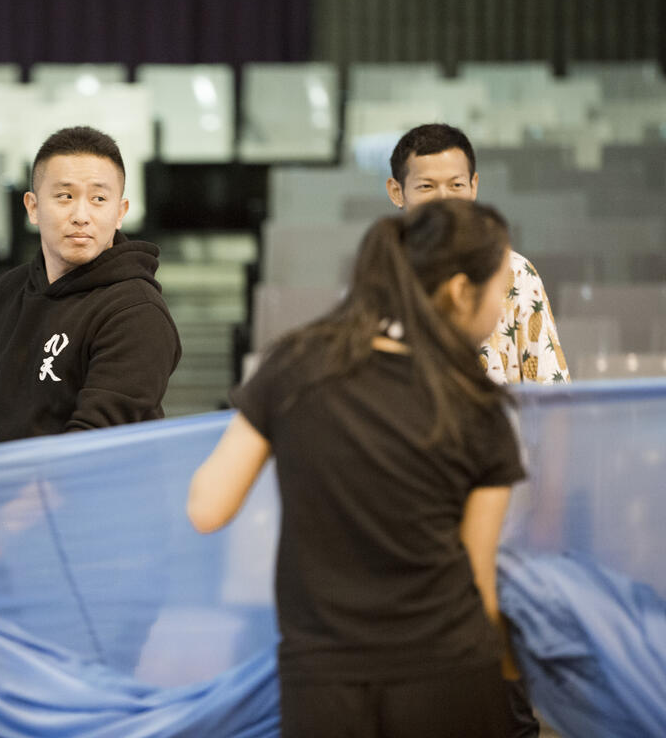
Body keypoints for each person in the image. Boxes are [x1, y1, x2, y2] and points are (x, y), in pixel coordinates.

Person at [189, 200, 525, 737]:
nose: (506, 308)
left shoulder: (294, 366)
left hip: (321, 683)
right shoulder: (476, 405)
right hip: (450, 678)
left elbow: (207, 508)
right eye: (504, 291)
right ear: (462, 292)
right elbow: (479, 585)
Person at [0, 125, 181, 448]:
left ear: (120, 212)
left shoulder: (136, 312)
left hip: (95, 495)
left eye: (99, 199)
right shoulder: (8, 291)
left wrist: (16, 500)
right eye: (65, 196)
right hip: (5, 491)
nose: (81, 215)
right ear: (32, 207)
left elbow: (95, 443)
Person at [386, 123, 570, 384]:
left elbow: (551, 391)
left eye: (456, 185)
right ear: (397, 192)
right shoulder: (381, 270)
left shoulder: (514, 271)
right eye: (426, 186)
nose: (444, 200)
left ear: (474, 186)